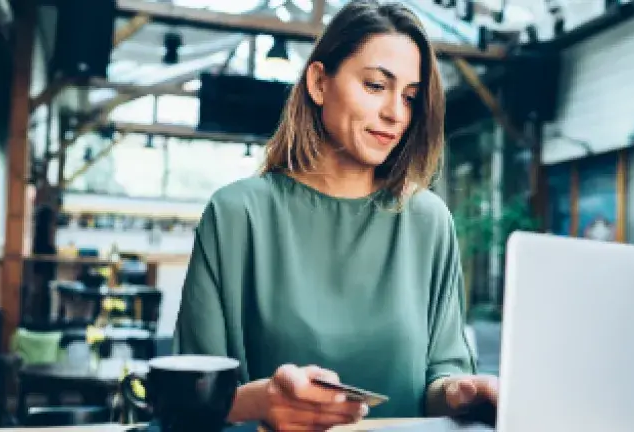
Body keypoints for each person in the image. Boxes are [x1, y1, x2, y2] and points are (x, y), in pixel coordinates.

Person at [174, 0, 499, 430]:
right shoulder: (237, 215)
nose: (395, 113)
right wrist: (260, 402)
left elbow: (441, 376)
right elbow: (185, 403)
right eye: (375, 86)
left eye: (410, 97)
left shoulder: (428, 220)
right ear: (319, 83)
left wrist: (461, 393)